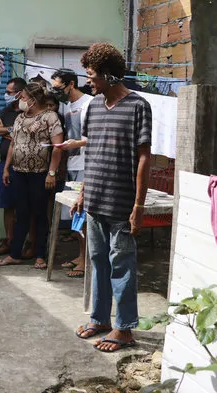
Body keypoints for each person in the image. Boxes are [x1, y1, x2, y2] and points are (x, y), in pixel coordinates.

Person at [72, 43, 152, 352]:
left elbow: (144, 158)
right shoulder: (92, 106)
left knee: (122, 266)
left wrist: (138, 206)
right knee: (98, 263)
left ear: (108, 74)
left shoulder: (138, 106)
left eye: (91, 75)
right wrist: (83, 191)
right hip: (95, 201)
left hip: (121, 203)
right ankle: (101, 319)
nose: (88, 81)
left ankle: (124, 329)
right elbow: (91, 149)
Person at [0, 83, 63, 269]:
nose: (20, 101)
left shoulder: (50, 117)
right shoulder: (19, 118)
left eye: (23, 97)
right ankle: (15, 254)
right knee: (21, 214)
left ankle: (40, 255)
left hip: (40, 174)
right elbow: (13, 144)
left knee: (40, 215)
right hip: (19, 173)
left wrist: (51, 173)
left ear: (33, 100)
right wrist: (6, 168)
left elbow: (57, 148)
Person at [51, 68, 93, 279]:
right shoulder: (66, 105)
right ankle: (80, 255)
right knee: (76, 215)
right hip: (73, 164)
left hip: (87, 165)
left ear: (71, 84)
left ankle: (86, 261)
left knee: (84, 215)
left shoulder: (89, 104)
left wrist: (76, 143)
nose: (55, 92)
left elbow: (95, 136)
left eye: (58, 88)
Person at [0, 77, 27, 256]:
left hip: (24, 165)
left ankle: (25, 242)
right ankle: (9, 240)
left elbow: (25, 133)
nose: (6, 95)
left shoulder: (28, 112)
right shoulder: (7, 110)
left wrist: (8, 130)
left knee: (25, 205)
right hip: (5, 164)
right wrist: (12, 130)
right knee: (7, 205)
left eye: (9, 92)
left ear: (19, 93)